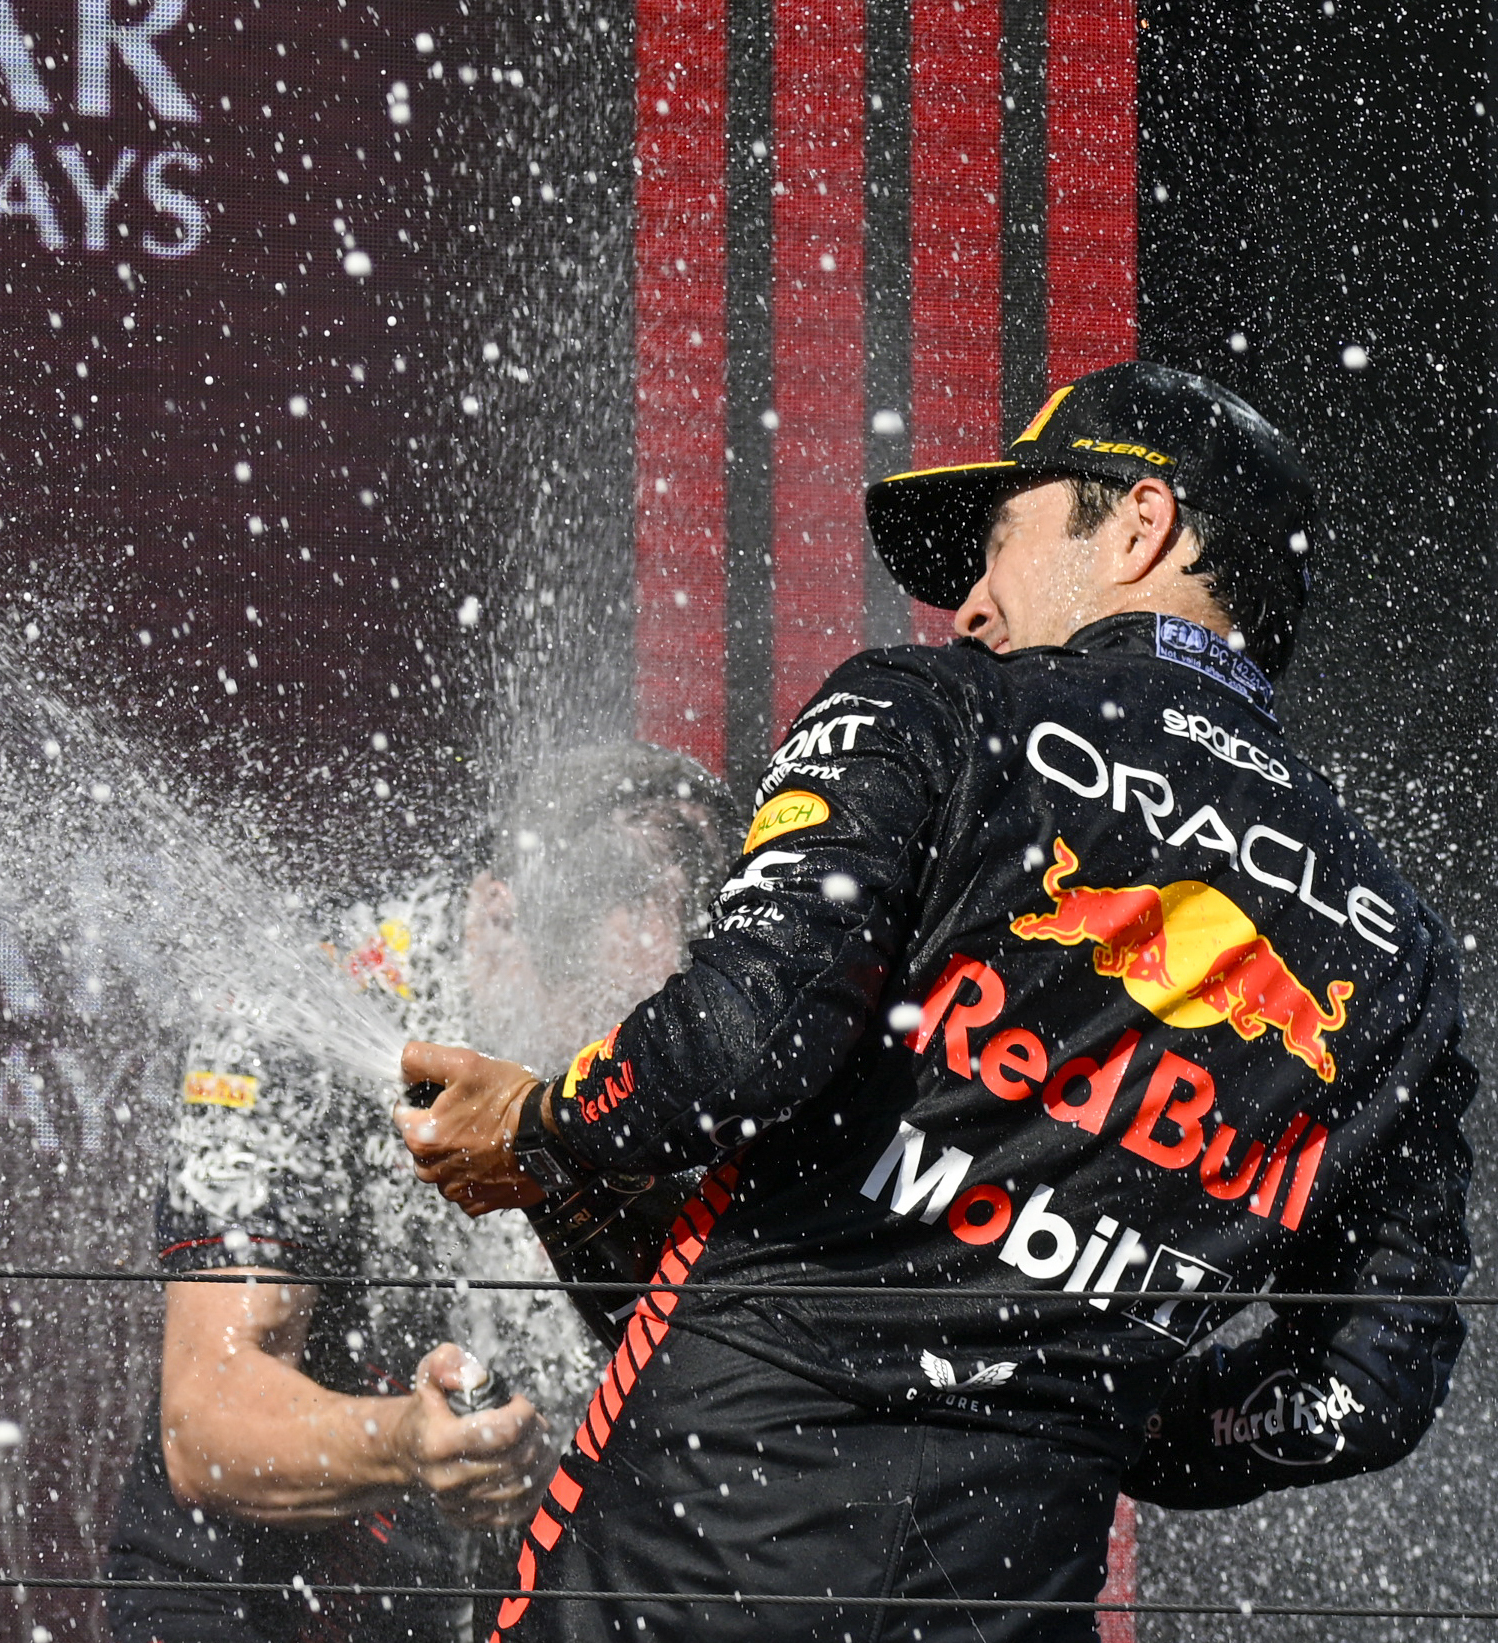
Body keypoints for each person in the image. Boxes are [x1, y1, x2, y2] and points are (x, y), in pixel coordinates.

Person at [399, 363, 1475, 1641]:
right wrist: (1104, 1415)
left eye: (1000, 539)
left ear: (1141, 524)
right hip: (1008, 1595)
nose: (968, 606)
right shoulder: (1397, 951)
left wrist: (538, 1126)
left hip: (688, 1569)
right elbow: (1367, 1387)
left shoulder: (930, 708)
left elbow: (739, 1045)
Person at [105, 746, 743, 1642]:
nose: (608, 1064)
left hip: (513, 1594)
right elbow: (207, 1419)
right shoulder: (305, 1008)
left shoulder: (698, 1036)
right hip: (255, 1606)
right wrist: (405, 1441)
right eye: (598, 1013)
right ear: (496, 912)